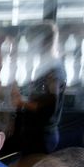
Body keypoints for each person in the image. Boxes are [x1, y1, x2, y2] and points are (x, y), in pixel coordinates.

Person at [10, 21, 66, 157]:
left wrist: (21, 103)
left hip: (42, 136)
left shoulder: (54, 70)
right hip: (38, 134)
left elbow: (49, 107)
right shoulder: (46, 67)